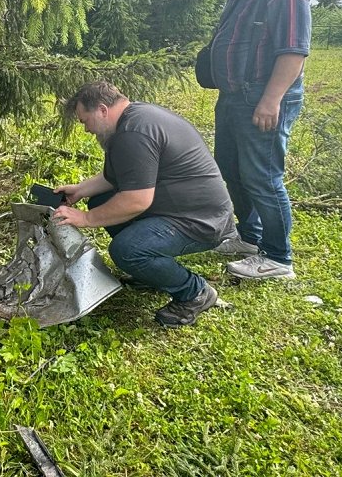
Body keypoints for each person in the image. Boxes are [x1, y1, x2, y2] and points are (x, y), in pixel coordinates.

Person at [52, 81, 234, 327]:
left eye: (85, 121)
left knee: (127, 250)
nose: (87, 130)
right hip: (184, 209)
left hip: (201, 221)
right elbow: (116, 178)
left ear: (103, 110)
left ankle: (195, 292)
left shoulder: (133, 134)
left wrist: (85, 218)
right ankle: (150, 271)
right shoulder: (133, 120)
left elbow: (137, 200)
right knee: (102, 200)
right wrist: (80, 190)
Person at [205, 0, 311, 280]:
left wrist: (271, 101)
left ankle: (279, 258)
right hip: (234, 96)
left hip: (261, 99)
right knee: (232, 170)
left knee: (263, 176)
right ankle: (250, 238)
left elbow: (293, 52)